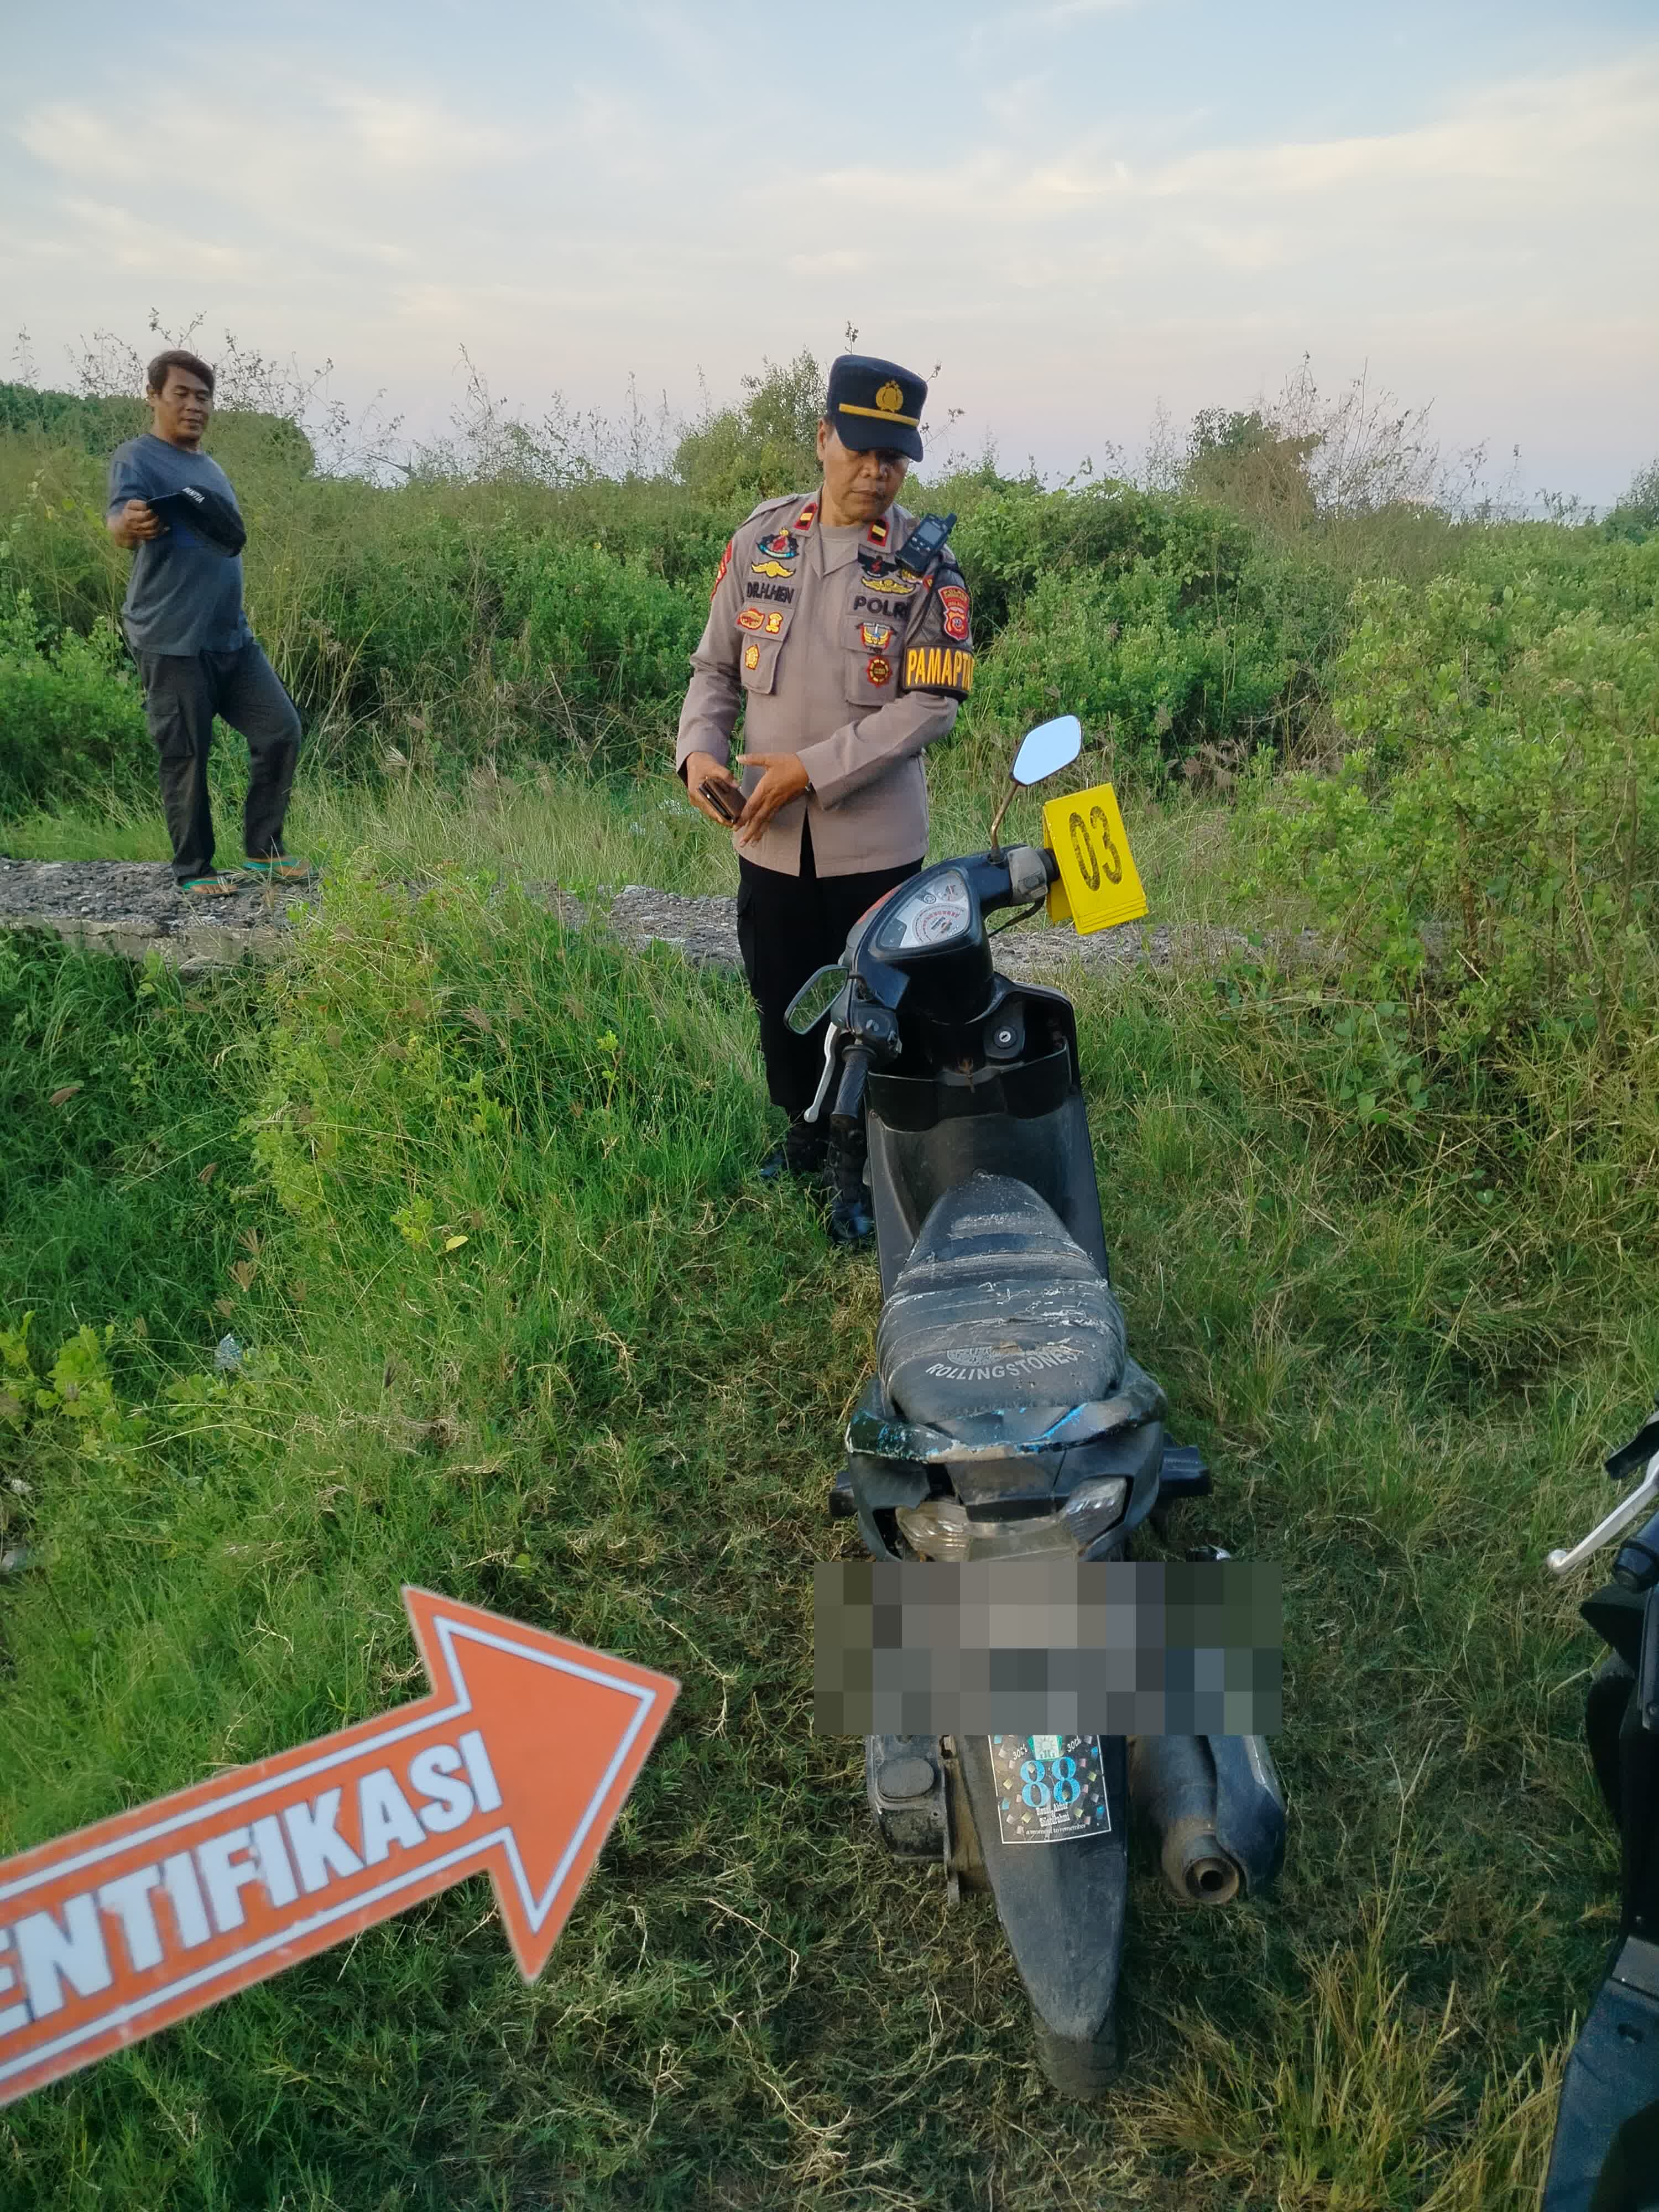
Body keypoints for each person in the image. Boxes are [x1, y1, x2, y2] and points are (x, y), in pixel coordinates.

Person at [675, 353, 975, 1242]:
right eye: (862, 450)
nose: (878, 472)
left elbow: (932, 705)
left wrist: (811, 769)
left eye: (895, 457)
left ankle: (868, 1163)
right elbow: (713, 670)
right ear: (823, 439)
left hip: (875, 845)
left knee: (880, 1011)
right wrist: (699, 753)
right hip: (768, 837)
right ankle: (804, 1137)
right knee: (782, 997)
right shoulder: (761, 541)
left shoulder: (928, 565)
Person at [107, 349, 306, 897]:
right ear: (153, 396)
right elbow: (120, 519)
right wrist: (130, 522)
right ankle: (194, 870)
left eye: (203, 397)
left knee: (281, 729)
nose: (195, 406)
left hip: (231, 638)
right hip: (172, 640)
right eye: (182, 394)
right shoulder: (136, 458)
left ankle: (264, 850)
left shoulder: (210, 469)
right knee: (188, 756)